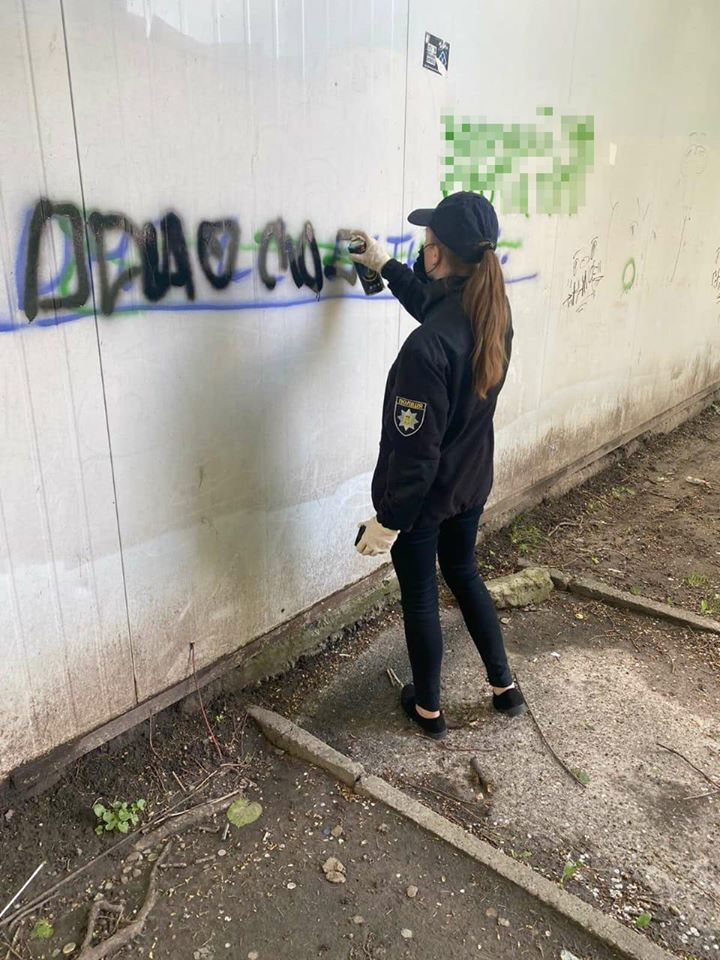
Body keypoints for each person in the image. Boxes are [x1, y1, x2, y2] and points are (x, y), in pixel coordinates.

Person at [350, 191, 526, 741]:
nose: (423, 250)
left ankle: (427, 709)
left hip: (425, 500)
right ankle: (504, 687)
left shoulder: (426, 348)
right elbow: (431, 302)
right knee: (464, 573)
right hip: (470, 484)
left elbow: (415, 455)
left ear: (437, 253)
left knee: (421, 596)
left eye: (426, 243)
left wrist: (389, 521)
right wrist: (383, 265)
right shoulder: (491, 315)